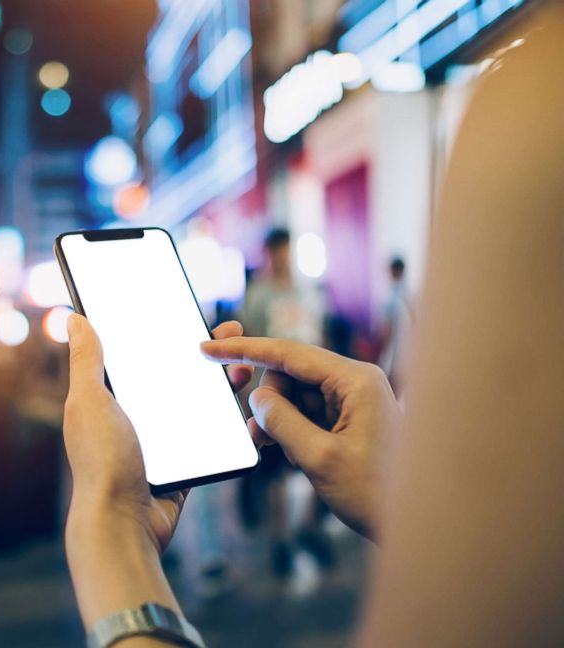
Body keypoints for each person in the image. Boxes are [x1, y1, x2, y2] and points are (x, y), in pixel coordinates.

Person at [62, 4, 564, 645]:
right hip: (277, 396)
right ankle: (281, 536)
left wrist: (110, 530)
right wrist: (398, 502)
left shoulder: (536, 101)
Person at [237, 227, 330, 577]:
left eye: (286, 251)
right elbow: (250, 340)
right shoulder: (259, 295)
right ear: (268, 253)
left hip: (308, 388)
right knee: (275, 469)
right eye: (277, 251)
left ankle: (308, 528)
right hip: (274, 388)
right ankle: (281, 539)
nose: (282, 257)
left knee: (308, 462)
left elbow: (319, 333)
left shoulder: (308, 291)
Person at [377, 257, 412, 392]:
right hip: (405, 343)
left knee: (390, 373)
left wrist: (383, 339)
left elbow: (387, 325)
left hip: (395, 341)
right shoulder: (407, 292)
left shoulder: (392, 294)